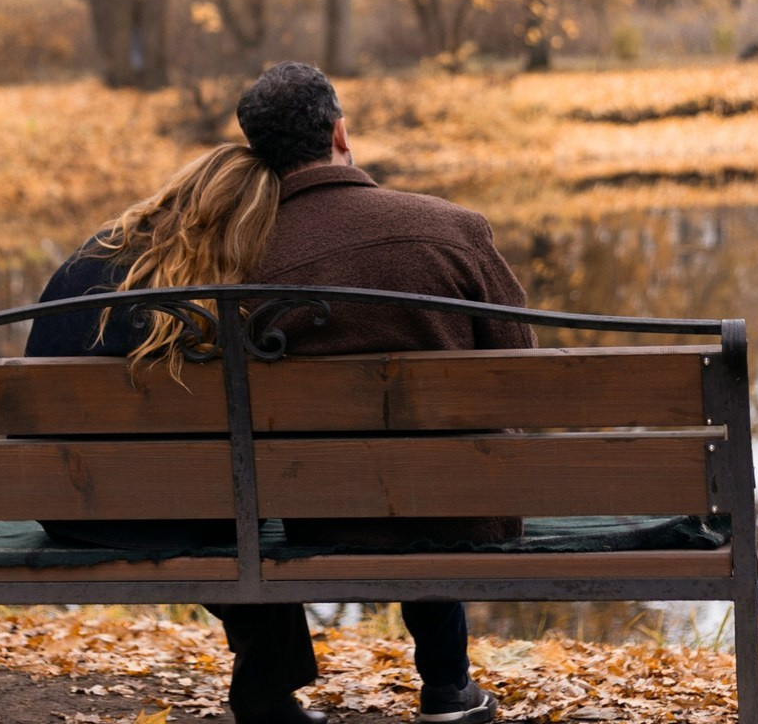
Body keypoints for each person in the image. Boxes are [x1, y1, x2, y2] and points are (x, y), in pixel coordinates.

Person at [26, 63, 533, 724]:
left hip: (313, 510)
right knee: (426, 473)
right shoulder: (455, 228)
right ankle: (447, 685)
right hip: (466, 506)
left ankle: (271, 689)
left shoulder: (231, 267)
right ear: (340, 132)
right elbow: (518, 376)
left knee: (295, 487)